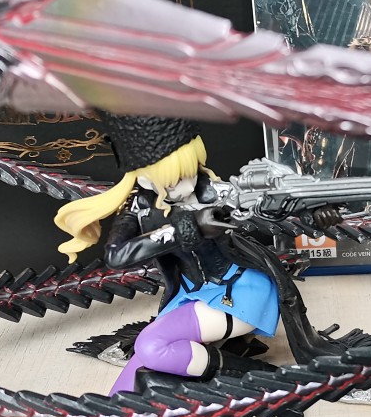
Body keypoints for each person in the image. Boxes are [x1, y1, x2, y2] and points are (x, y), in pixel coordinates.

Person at [53, 114, 279, 394]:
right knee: (132, 378)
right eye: (171, 182)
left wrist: (316, 216)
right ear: (144, 178)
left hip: (239, 291)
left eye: (189, 173)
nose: (184, 188)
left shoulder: (218, 193)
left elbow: (272, 213)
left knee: (151, 346)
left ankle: (267, 378)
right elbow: (117, 256)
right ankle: (124, 411)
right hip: (190, 296)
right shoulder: (139, 208)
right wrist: (180, 229)